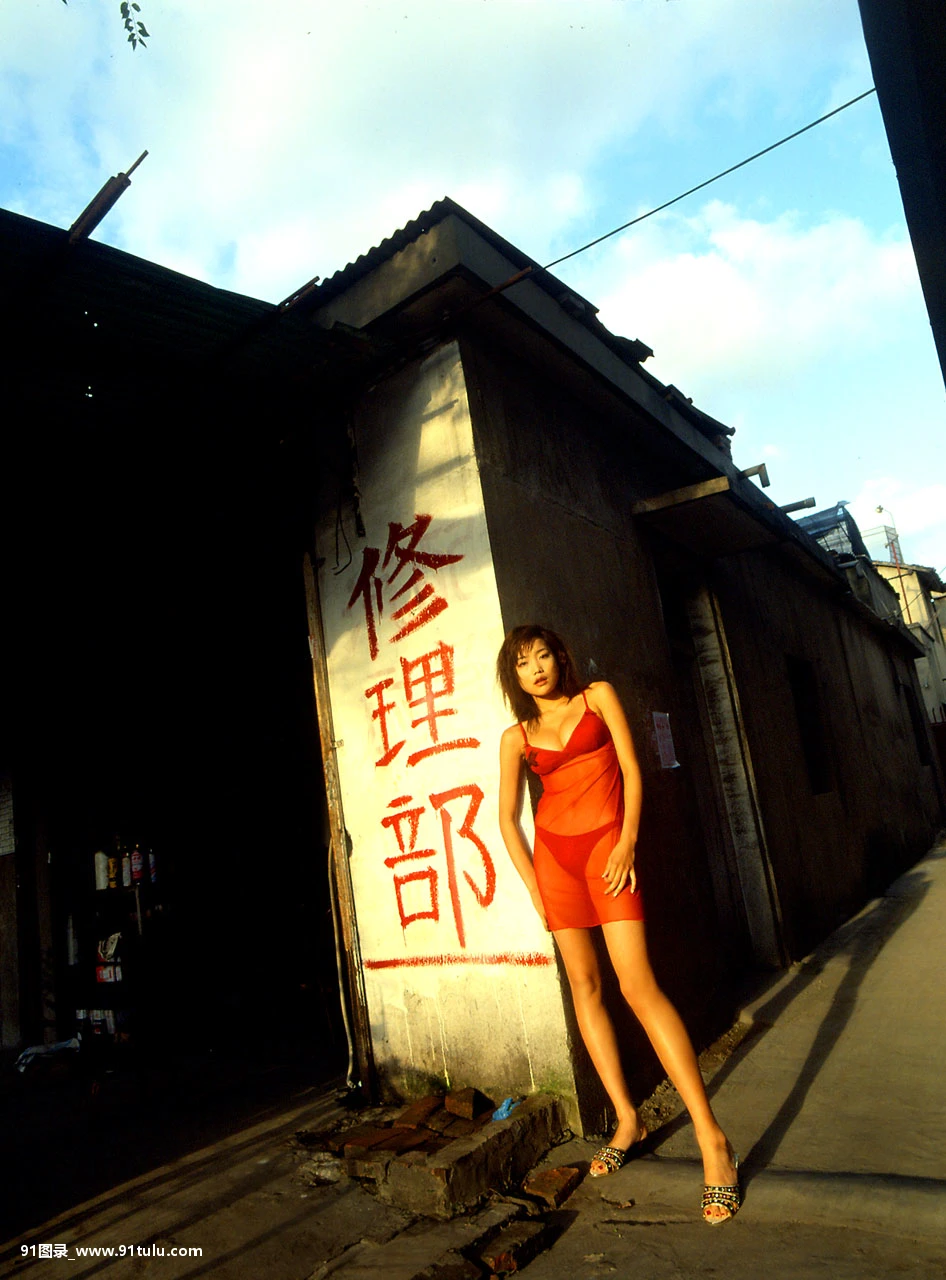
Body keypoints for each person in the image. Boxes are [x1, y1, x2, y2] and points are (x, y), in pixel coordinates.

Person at [497, 624, 740, 1224]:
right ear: (514, 675)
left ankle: (712, 1139)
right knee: (585, 988)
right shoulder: (515, 737)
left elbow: (631, 769)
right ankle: (627, 1119)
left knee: (637, 985)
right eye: (523, 662)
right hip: (555, 864)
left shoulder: (598, 697)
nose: (537, 668)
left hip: (609, 850)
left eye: (544, 655)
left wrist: (628, 841)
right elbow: (506, 820)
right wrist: (534, 889)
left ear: (561, 657)